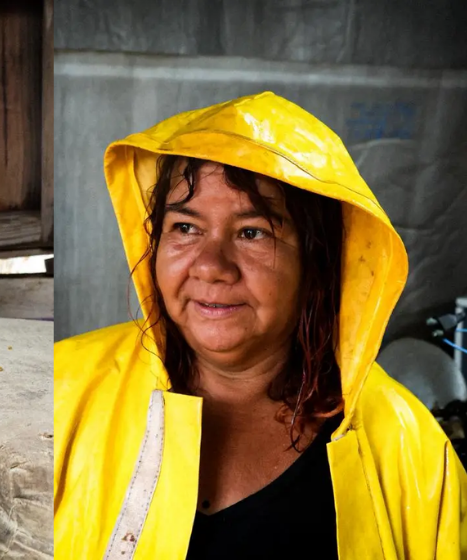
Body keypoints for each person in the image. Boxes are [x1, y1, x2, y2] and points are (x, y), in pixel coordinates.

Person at [54, 92, 467, 559]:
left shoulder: (408, 447)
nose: (210, 266)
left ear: (316, 260)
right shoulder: (61, 389)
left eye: (253, 232)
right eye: (185, 228)